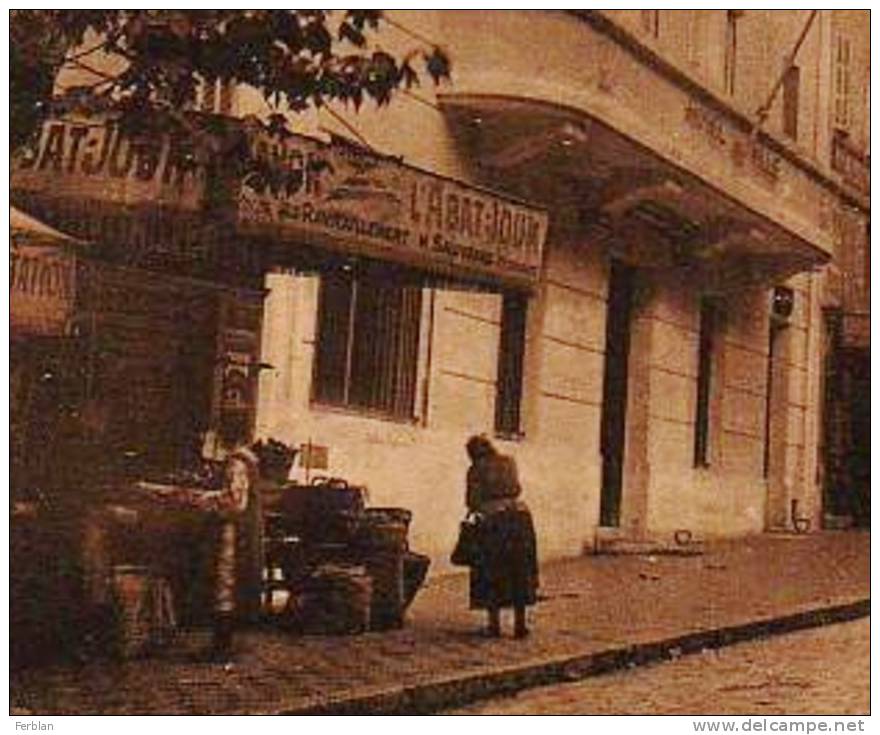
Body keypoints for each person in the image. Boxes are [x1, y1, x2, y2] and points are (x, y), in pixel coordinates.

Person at [464, 435, 538, 638]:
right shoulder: (509, 462)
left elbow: (471, 500)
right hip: (521, 518)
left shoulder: (476, 469)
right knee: (520, 571)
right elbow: (517, 488)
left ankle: (494, 626)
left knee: (491, 572)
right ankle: (520, 626)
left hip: (493, 523)